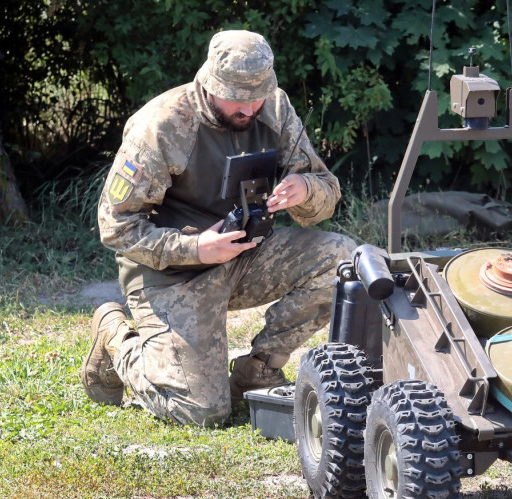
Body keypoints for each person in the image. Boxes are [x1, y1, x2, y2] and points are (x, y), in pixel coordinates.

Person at [80, 30, 356, 427]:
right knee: (201, 412)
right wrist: (195, 248)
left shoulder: (275, 108)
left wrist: (305, 189)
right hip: (172, 273)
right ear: (209, 83)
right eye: (236, 98)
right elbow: (115, 226)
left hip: (246, 255)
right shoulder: (161, 125)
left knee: (343, 261)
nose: (248, 108)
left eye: (256, 97)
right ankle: (116, 339)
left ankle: (258, 370)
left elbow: (326, 194)